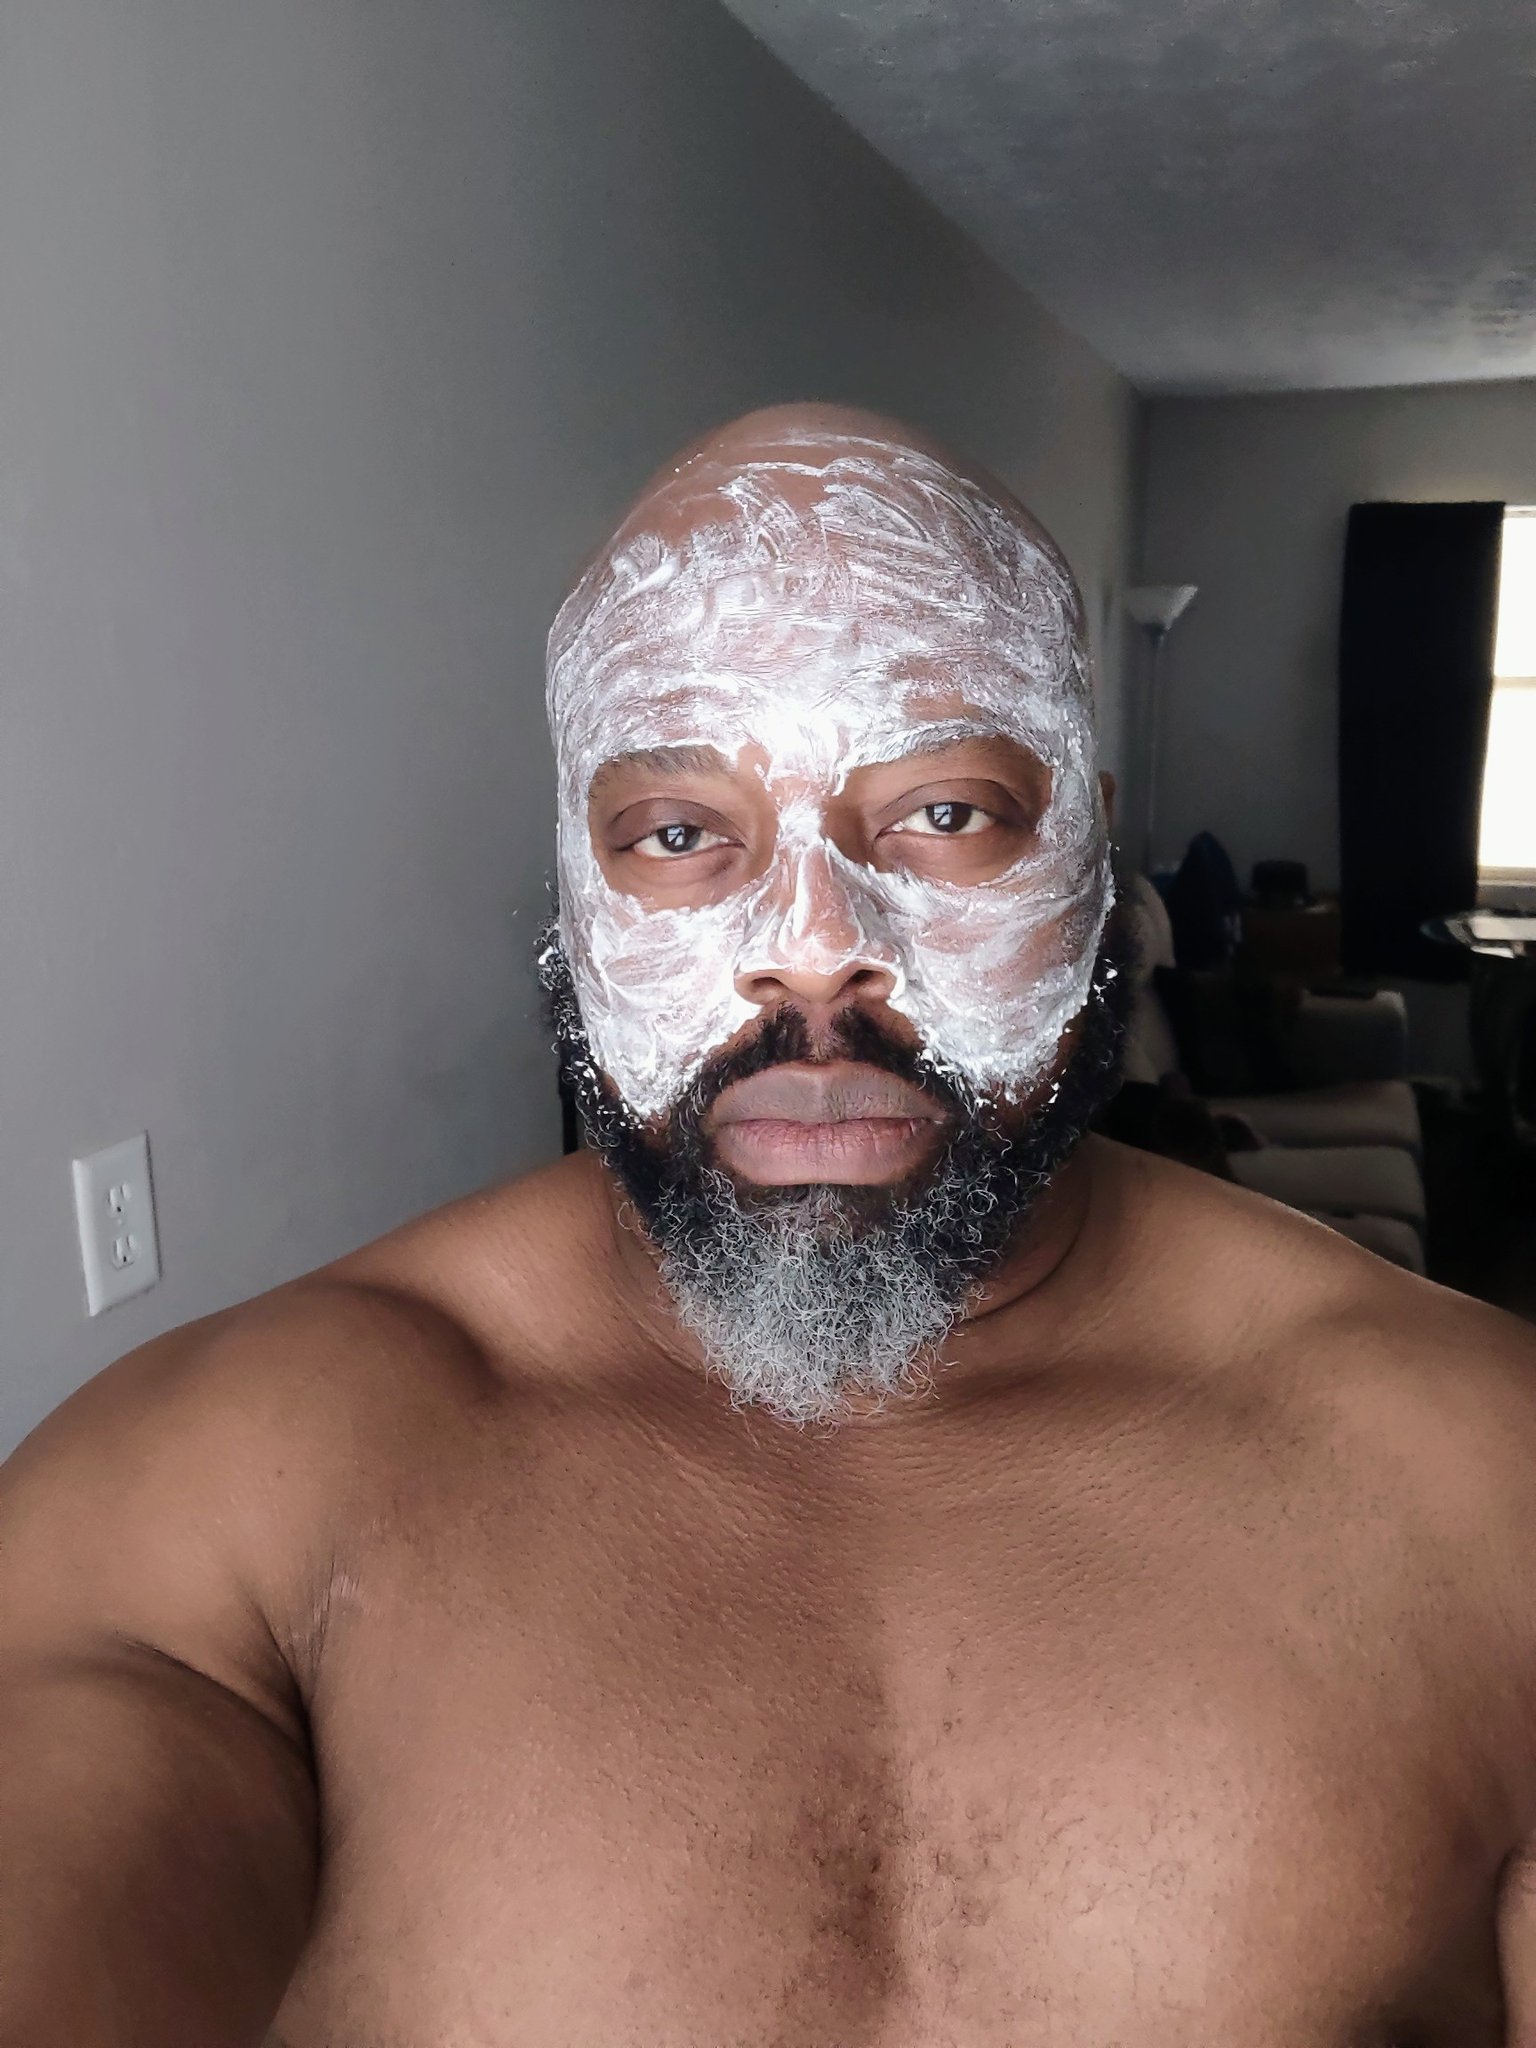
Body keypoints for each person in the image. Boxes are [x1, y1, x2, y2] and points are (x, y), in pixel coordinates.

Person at [3, 403, 1535, 2048]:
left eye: (946, 814)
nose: (812, 951)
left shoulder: (1475, 1480)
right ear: (576, 896)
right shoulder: (222, 1495)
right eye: (680, 835)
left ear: (1094, 854)